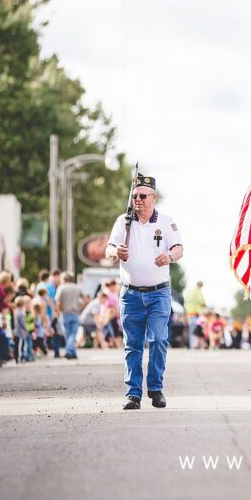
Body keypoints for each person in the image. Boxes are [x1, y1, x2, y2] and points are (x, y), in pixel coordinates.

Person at [106, 172, 184, 410]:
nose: (137, 200)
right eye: (134, 196)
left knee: (159, 339)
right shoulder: (124, 222)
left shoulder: (166, 221)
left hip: (159, 293)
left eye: (142, 196)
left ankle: (156, 388)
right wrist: (116, 252)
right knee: (133, 344)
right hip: (130, 294)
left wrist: (169, 256)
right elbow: (109, 249)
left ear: (154, 197)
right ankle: (133, 393)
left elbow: (179, 248)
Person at [56, 272, 84, 360]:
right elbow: (85, 298)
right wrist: (80, 308)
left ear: (64, 279)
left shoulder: (61, 288)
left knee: (68, 334)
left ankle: (68, 351)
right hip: (75, 313)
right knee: (73, 334)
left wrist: (59, 311)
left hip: (65, 313)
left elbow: (57, 301)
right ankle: (73, 353)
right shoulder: (77, 287)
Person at [183, 280, 207, 349]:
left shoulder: (190, 291)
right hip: (196, 313)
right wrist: (205, 305)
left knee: (191, 331)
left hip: (189, 313)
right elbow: (201, 301)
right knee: (198, 331)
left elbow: (185, 301)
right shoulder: (198, 291)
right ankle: (198, 347)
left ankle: (192, 347)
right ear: (201, 286)